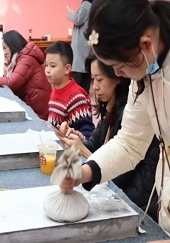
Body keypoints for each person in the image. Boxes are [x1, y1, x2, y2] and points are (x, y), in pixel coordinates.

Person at [59, 0, 170, 242]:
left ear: (144, 44)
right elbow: (130, 142)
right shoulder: (147, 67)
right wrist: (85, 172)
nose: (118, 76)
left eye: (119, 67)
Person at [57, 53, 160, 221]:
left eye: (100, 79)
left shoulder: (131, 114)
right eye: (92, 79)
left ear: (118, 76)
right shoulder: (109, 109)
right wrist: (78, 140)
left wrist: (81, 152)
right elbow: (95, 144)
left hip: (137, 206)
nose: (94, 88)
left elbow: (118, 174)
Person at [0, 30, 51, 120]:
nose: (4, 52)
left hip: (36, 112)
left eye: (5, 48)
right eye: (3, 49)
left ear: (13, 45)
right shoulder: (20, 58)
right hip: (32, 105)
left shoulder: (26, 59)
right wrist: (6, 71)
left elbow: (12, 83)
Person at [44, 41, 94, 139]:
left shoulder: (76, 97)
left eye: (53, 66)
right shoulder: (55, 88)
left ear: (67, 69)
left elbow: (87, 132)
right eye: (46, 65)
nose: (48, 70)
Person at [67, 0, 94, 94]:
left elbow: (77, 20)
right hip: (86, 43)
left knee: (79, 80)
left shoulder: (86, 4)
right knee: (84, 75)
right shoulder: (91, 3)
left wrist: (70, 12)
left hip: (82, 44)